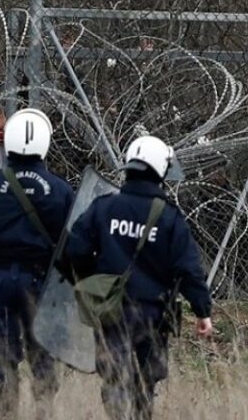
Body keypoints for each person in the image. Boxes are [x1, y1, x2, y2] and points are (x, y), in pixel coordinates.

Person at [64, 135, 213, 420]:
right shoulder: (170, 218)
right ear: (160, 170)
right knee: (145, 383)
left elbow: (75, 250)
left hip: (110, 309)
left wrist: (92, 281)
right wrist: (202, 311)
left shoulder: (104, 207)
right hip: (153, 314)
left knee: (114, 379)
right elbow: (188, 269)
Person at [0, 108, 73, 419]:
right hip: (41, 286)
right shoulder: (59, 190)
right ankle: (44, 411)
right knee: (42, 355)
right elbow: (73, 245)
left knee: (0, 357)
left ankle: (4, 413)